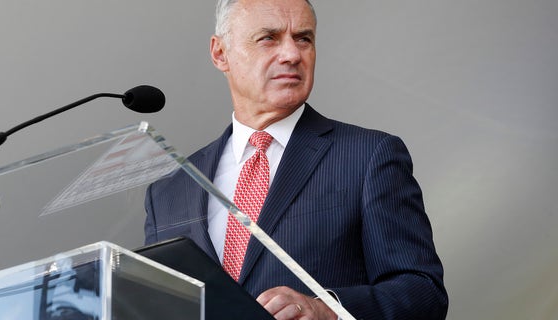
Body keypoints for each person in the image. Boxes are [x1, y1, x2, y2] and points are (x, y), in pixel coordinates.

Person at [144, 0, 449, 319]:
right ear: (221, 53)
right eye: (268, 38)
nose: (292, 54)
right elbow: (152, 305)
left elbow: (423, 292)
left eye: (303, 38)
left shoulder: (368, 156)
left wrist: (327, 309)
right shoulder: (168, 193)